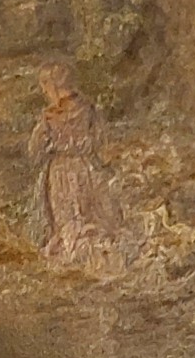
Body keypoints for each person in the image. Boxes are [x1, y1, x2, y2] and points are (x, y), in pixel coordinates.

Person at [30, 65, 124, 267]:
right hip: (86, 168)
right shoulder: (89, 109)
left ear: (53, 85)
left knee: (67, 215)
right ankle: (93, 256)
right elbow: (101, 139)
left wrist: (50, 146)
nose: (45, 93)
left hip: (60, 172)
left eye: (45, 87)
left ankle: (73, 256)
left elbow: (34, 148)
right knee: (89, 212)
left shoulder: (50, 116)